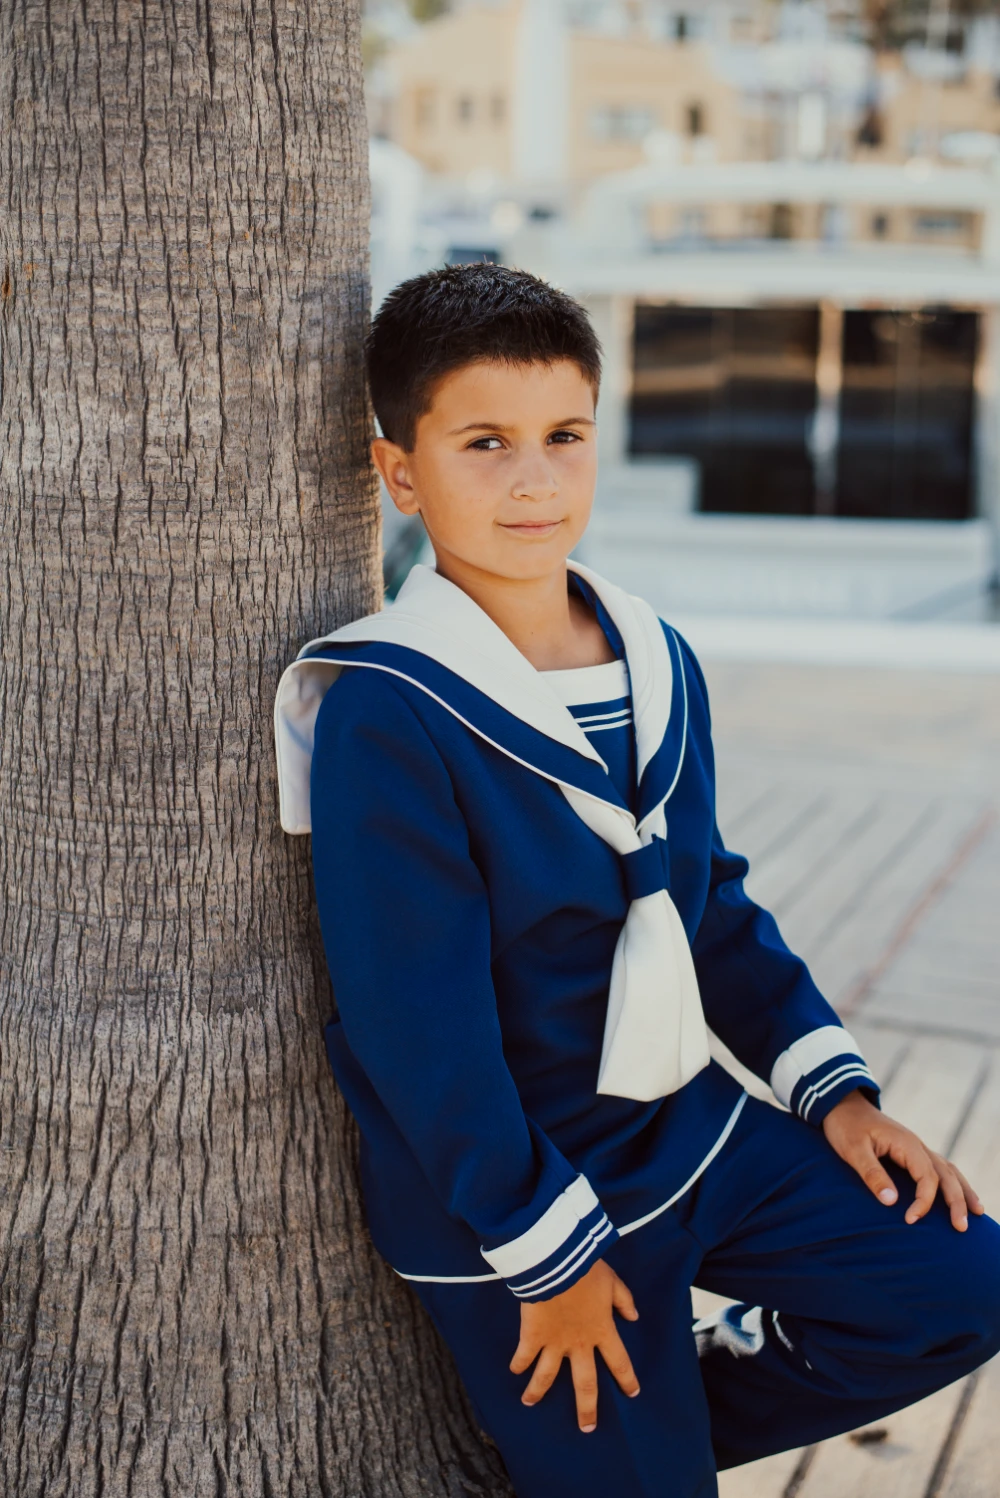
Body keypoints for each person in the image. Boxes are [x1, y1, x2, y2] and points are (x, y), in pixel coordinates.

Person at [274, 264, 1000, 1498]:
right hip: (509, 1198)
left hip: (683, 1128)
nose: (533, 479)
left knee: (959, 1279)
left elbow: (707, 902)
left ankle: (669, 1393)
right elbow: (418, 1030)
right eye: (485, 442)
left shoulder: (653, 653)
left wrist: (836, 1094)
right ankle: (634, 1435)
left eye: (563, 437)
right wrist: (545, 1261)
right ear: (401, 473)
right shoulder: (386, 712)